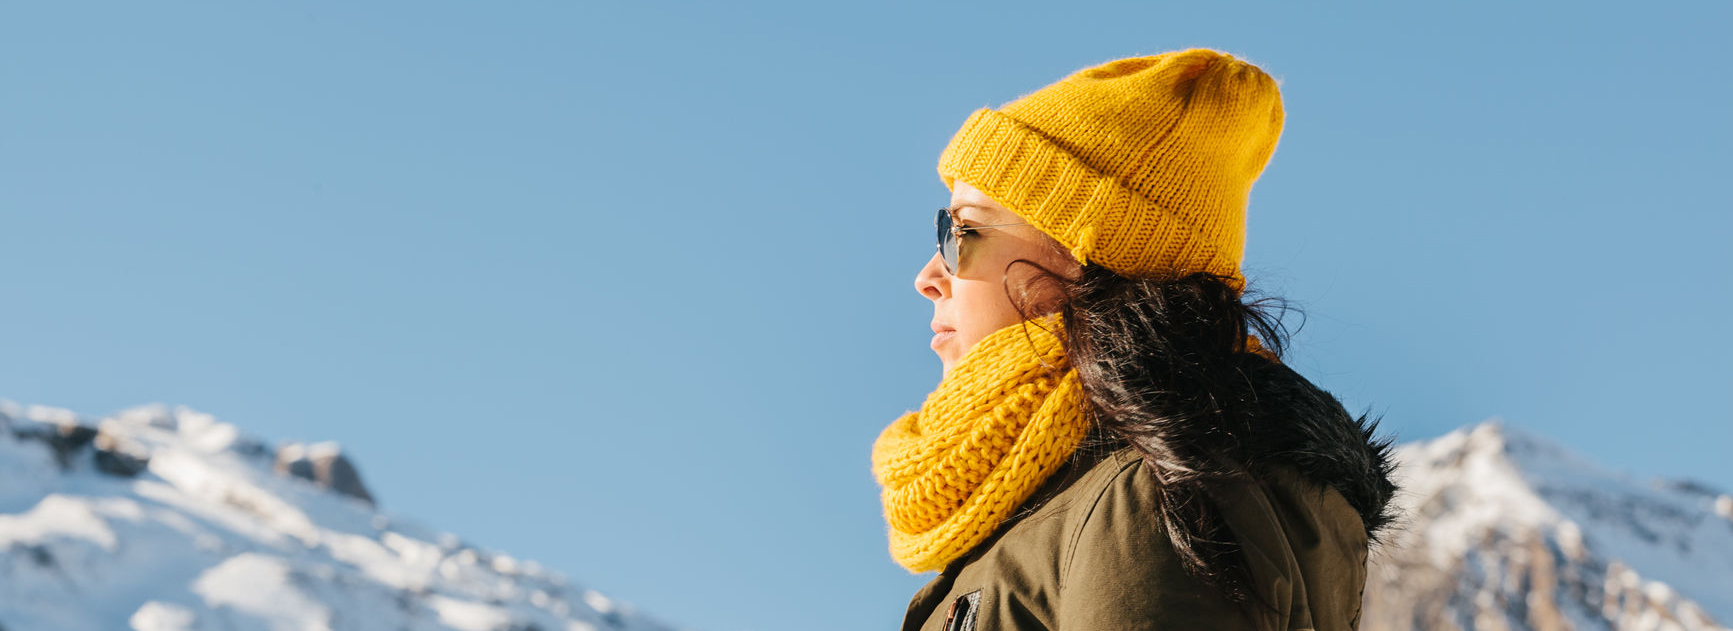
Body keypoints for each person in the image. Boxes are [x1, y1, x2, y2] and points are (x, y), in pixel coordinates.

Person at [871, 48, 1403, 631]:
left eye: (964, 229)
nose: (928, 277)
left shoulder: (1152, 497)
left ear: (1091, 260)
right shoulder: (1071, 498)